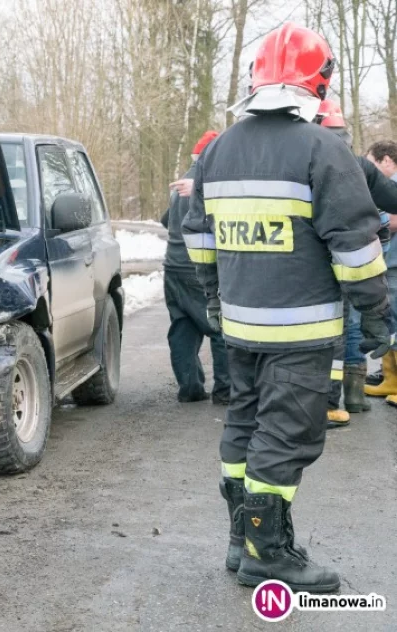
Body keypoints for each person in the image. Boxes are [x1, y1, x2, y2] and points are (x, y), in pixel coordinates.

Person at [182, 23, 392, 593]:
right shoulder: (323, 149)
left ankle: (240, 539)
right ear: (317, 82)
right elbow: (356, 248)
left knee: (244, 428)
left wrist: (214, 299)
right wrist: (377, 317)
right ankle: (267, 553)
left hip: (242, 329)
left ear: (257, 82)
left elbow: (198, 238)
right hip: (301, 336)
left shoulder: (218, 151)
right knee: (286, 438)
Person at [314, 102, 397, 426]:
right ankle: (350, 398)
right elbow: (384, 207)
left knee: (328, 334)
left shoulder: (303, 158)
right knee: (348, 329)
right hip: (355, 265)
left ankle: (329, 402)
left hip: (317, 268)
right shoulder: (359, 166)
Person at [161, 131, 231, 405]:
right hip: (197, 267)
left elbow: (167, 221)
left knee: (183, 326)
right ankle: (226, 391)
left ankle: (189, 388)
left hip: (173, 266)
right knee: (220, 328)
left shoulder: (182, 184)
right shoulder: (204, 184)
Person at [363, 140, 397, 402]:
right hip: (389, 262)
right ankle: (390, 380)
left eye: (372, 163)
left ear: (386, 160)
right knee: (390, 320)